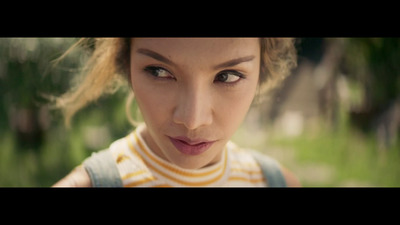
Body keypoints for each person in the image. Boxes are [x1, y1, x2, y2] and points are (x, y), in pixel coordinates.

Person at [52, 38, 300, 187]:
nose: (193, 120)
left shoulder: (276, 183)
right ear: (125, 63)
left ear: (262, 69)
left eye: (227, 76)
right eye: (159, 72)